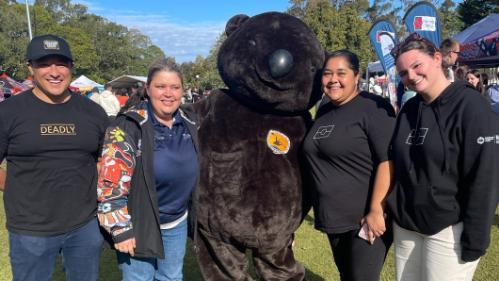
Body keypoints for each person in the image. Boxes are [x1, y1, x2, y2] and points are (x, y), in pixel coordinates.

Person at [388, 32, 499, 281]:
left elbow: (486, 176)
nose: (411, 76)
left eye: (417, 66)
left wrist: (476, 236)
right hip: (407, 227)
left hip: (448, 230)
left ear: (437, 58)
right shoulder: (409, 109)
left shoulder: (471, 106)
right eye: (404, 73)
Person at [0, 34, 109, 281]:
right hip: (31, 230)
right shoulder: (8, 112)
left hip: (85, 225)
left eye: (61, 63)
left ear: (71, 67)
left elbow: (106, 160)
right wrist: (18, 187)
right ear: (31, 68)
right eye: (44, 63)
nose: (54, 71)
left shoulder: (93, 111)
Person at [97, 58, 199, 281]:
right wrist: (120, 229)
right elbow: (109, 183)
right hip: (139, 222)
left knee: (171, 277)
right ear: (148, 89)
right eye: (160, 86)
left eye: (175, 87)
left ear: (183, 90)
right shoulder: (128, 126)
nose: (168, 94)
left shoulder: (191, 122)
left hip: (176, 221)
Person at [303, 50, 395, 281]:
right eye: (327, 74)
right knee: (347, 275)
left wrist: (376, 209)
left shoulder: (373, 107)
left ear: (356, 76)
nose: (333, 79)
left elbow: (388, 160)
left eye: (341, 73)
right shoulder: (324, 111)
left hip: (365, 218)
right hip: (333, 218)